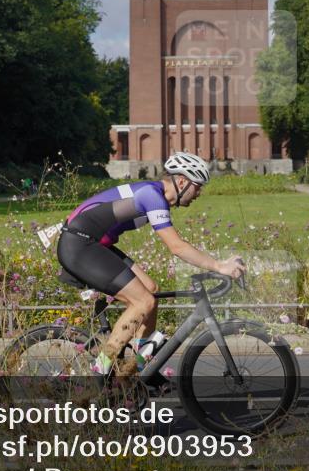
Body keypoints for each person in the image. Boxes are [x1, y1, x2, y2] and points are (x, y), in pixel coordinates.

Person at [56, 151, 245, 379]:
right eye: (198, 186)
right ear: (182, 181)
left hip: (90, 243)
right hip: (80, 246)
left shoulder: (154, 194)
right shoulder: (151, 195)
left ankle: (137, 367)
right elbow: (177, 247)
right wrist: (219, 266)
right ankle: (100, 368)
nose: (199, 193)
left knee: (150, 291)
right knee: (142, 301)